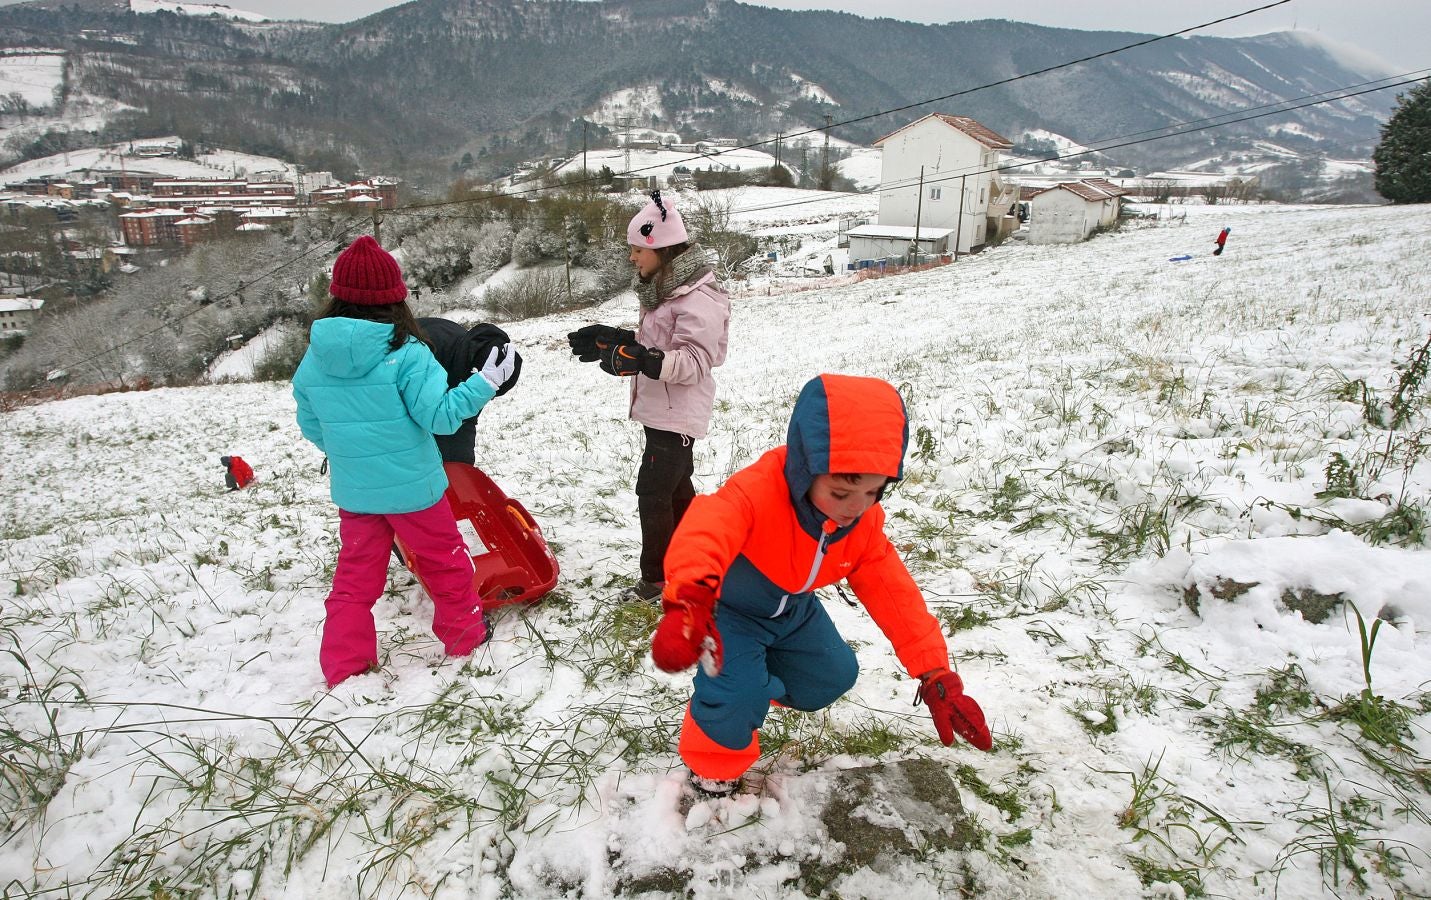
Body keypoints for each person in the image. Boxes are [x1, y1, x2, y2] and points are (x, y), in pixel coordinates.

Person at [649, 374, 994, 796]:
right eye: (842, 492)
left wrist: (934, 670)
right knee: (736, 693)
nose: (857, 508)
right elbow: (707, 529)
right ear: (805, 468)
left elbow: (893, 592)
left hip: (792, 610)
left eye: (874, 492)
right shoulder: (759, 490)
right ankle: (712, 769)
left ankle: (745, 685)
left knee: (832, 675)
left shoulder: (862, 524)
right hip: (727, 612)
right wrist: (690, 598)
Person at [292, 235, 518, 688]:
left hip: (357, 493)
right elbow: (441, 417)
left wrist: (352, 454)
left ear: (337, 297)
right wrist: (485, 383)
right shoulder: (407, 353)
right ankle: (465, 636)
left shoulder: (315, 359)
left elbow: (313, 425)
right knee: (445, 563)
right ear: (394, 297)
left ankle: (345, 665)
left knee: (354, 579)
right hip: (415, 490)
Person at [567, 190, 731, 604]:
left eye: (637, 250)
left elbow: (695, 361)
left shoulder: (697, 297)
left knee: (653, 491)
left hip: (679, 414)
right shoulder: (666, 290)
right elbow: (657, 343)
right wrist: (615, 340)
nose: (632, 258)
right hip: (662, 411)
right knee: (676, 491)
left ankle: (656, 581)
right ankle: (701, 559)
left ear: (661, 248)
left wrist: (644, 360)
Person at [416, 317, 522, 464]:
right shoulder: (425, 353)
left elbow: (465, 417)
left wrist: (463, 465)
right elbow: (427, 415)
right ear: (474, 373)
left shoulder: (476, 353)